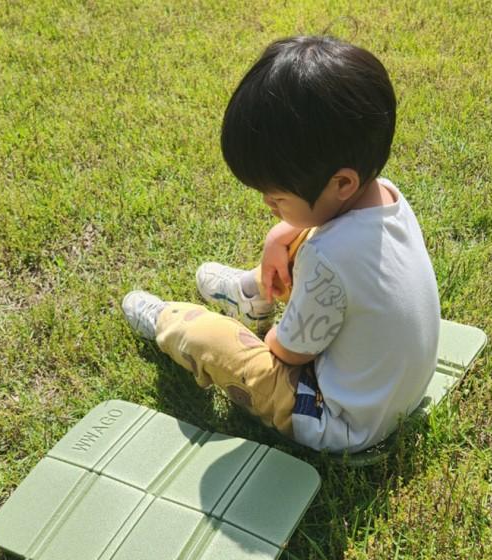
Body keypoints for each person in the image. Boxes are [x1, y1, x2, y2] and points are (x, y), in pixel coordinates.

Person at [122, 35, 440, 453]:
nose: (270, 207)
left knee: (224, 346)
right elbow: (328, 235)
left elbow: (287, 352)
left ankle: (171, 322)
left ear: (341, 182)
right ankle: (253, 294)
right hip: (397, 394)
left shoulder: (329, 259)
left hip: (339, 422)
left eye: (277, 199)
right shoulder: (385, 196)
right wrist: (280, 236)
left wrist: (271, 339)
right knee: (306, 233)